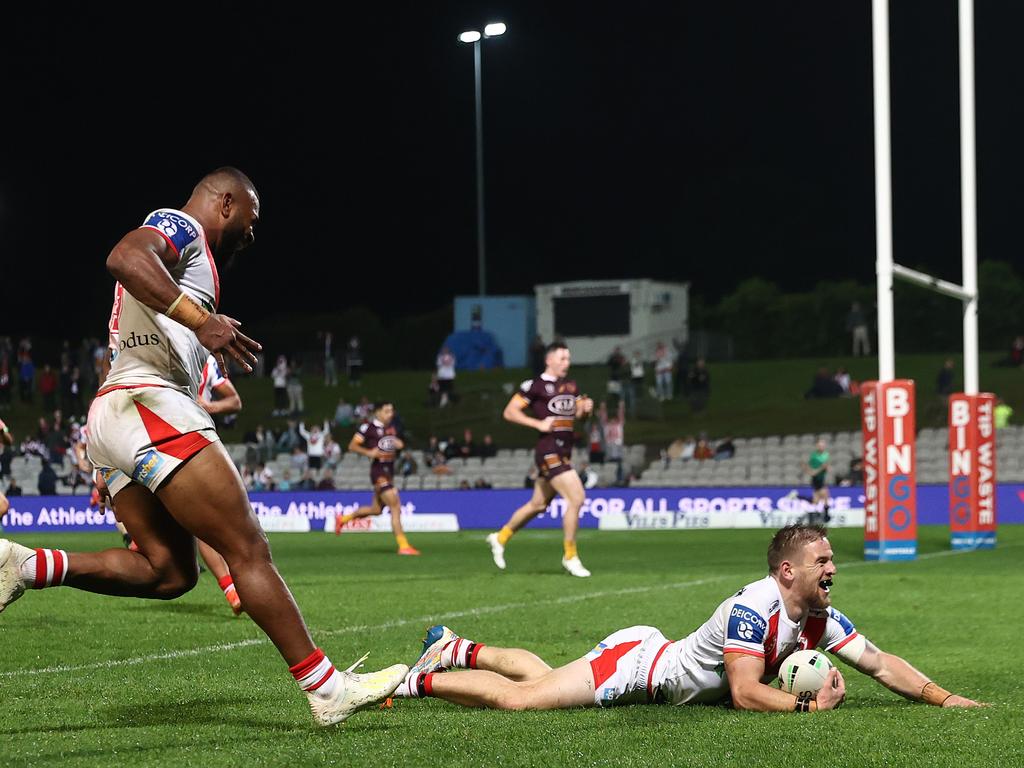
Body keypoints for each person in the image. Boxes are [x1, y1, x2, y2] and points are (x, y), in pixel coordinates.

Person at [0, 168, 405, 726]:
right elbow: (124, 255)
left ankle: (27, 564)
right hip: (148, 404)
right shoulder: (182, 225)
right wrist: (201, 320)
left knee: (169, 573)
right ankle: (326, 689)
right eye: (251, 218)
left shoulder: (193, 266)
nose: (253, 233)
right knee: (248, 550)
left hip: (119, 412)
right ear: (225, 202)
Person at [393, 525, 983, 713]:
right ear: (786, 571)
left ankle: (456, 646)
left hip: (649, 656)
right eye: (821, 560)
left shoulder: (819, 618)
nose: (833, 568)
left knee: (541, 680)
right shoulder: (755, 607)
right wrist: (809, 707)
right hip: (638, 668)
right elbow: (748, 694)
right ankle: (411, 678)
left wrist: (944, 698)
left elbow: (880, 665)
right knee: (522, 701)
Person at [485, 342, 595, 578]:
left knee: (538, 505)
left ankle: (500, 536)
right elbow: (509, 412)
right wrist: (537, 424)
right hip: (548, 449)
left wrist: (585, 411)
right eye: (563, 358)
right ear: (550, 360)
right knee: (576, 498)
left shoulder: (571, 385)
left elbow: (578, 418)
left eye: (568, 358)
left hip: (564, 449)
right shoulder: (535, 385)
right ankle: (570, 556)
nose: (567, 363)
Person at [333, 401, 420, 555]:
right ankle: (403, 545)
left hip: (389, 472)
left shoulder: (390, 428)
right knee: (395, 505)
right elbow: (352, 446)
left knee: (376, 510)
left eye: (392, 411)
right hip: (378, 472)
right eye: (387, 411)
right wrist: (369, 453)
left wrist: (398, 443)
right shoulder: (368, 428)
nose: (390, 414)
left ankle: (343, 519)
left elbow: (395, 443)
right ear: (378, 412)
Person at [788, 439, 832, 524]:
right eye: (820, 445)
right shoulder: (814, 456)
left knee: (816, 500)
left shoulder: (826, 454)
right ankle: (826, 515)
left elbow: (826, 466)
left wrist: (825, 468)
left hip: (822, 478)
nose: (822, 447)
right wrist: (817, 470)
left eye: (823, 445)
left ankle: (797, 496)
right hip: (817, 479)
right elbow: (811, 470)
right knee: (825, 494)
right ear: (817, 446)